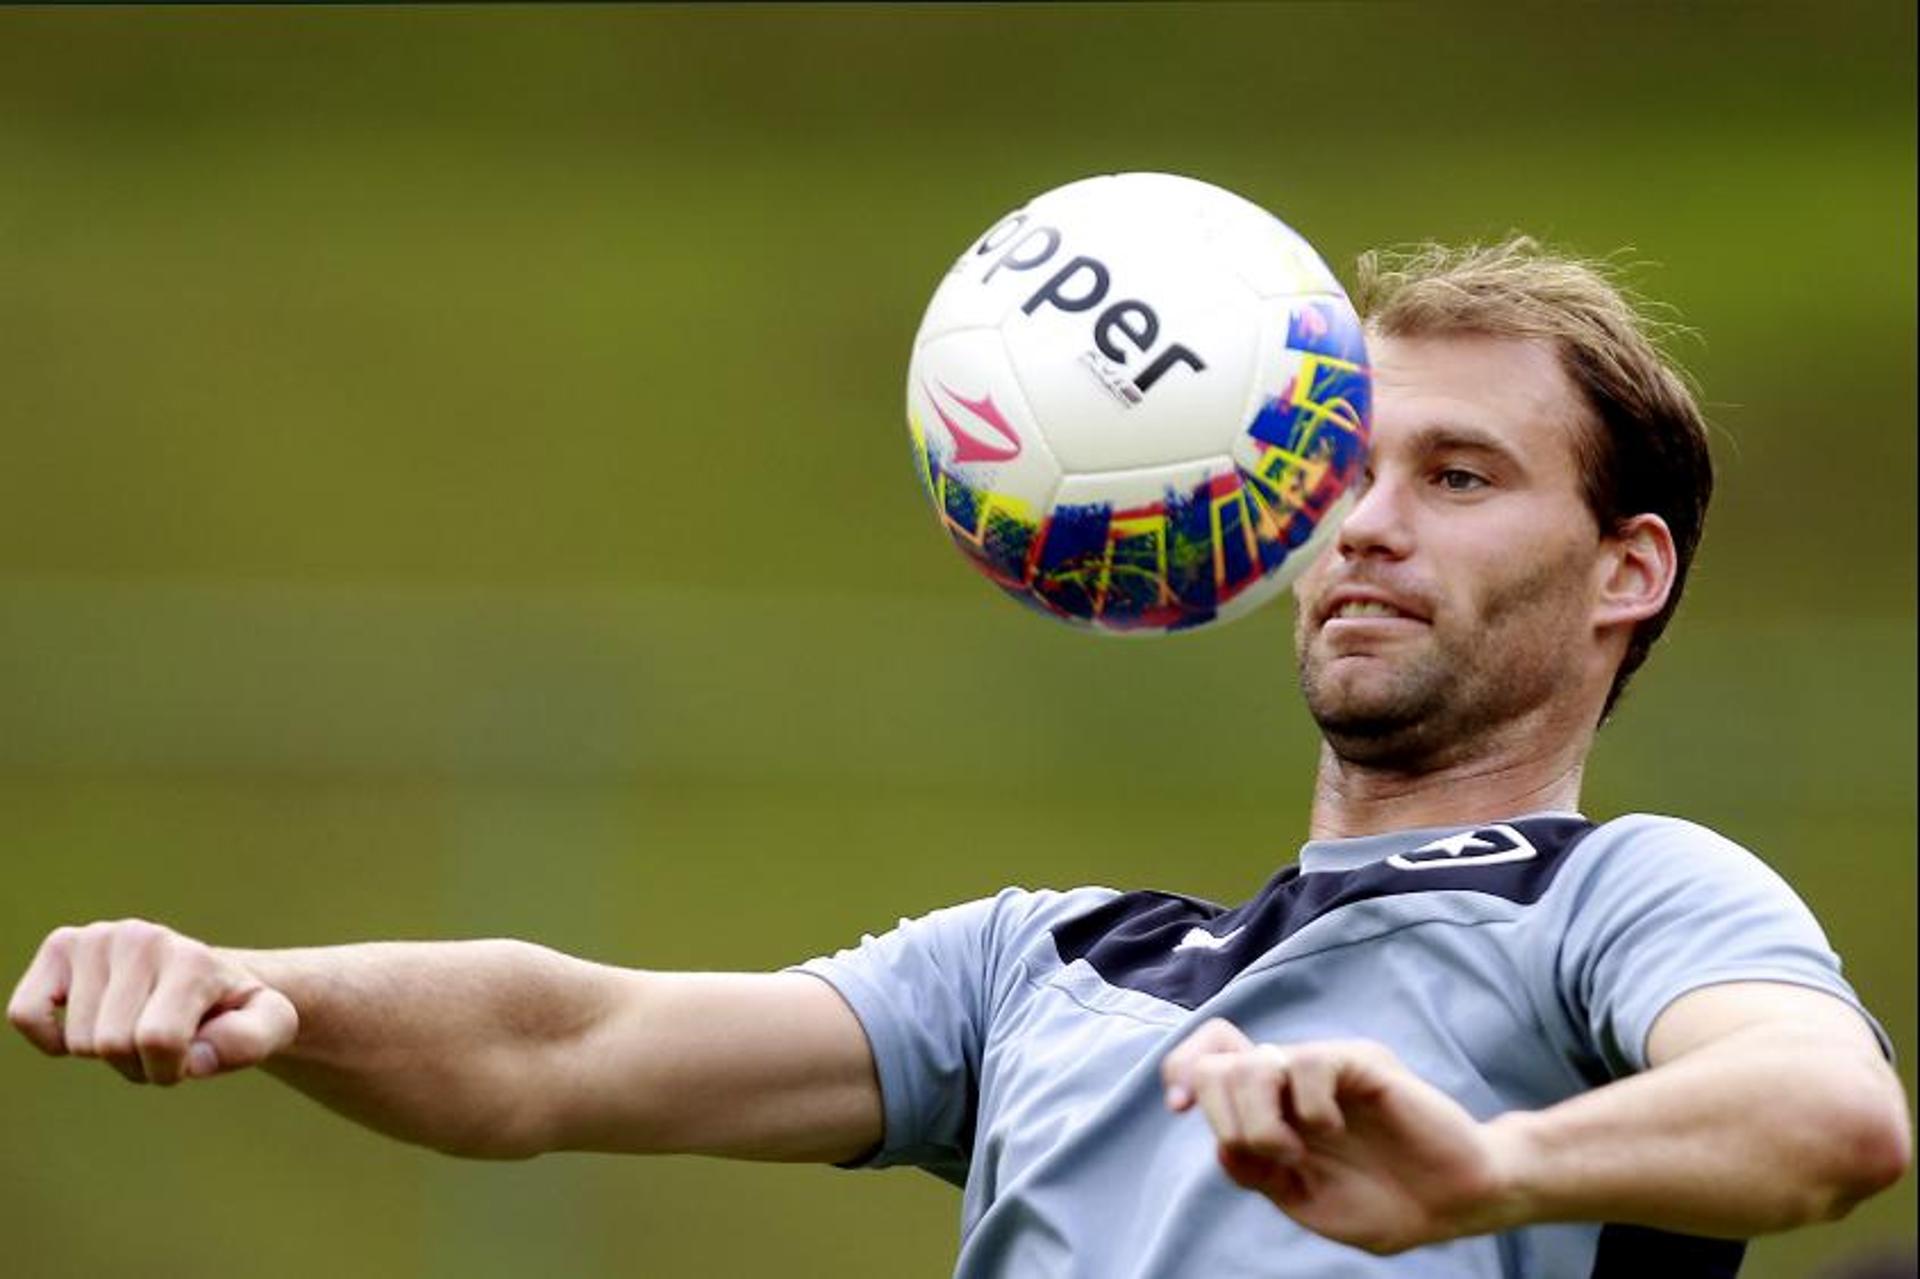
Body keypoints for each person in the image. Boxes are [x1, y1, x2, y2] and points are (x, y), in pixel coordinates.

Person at [9, 239, 1910, 1276]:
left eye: (1461, 478)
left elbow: (1829, 1125)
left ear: (1624, 571)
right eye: (1339, 473)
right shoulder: (1051, 964)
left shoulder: (1626, 897)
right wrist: (257, 983)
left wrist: (1489, 1174)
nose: (1365, 525)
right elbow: (559, 1045)